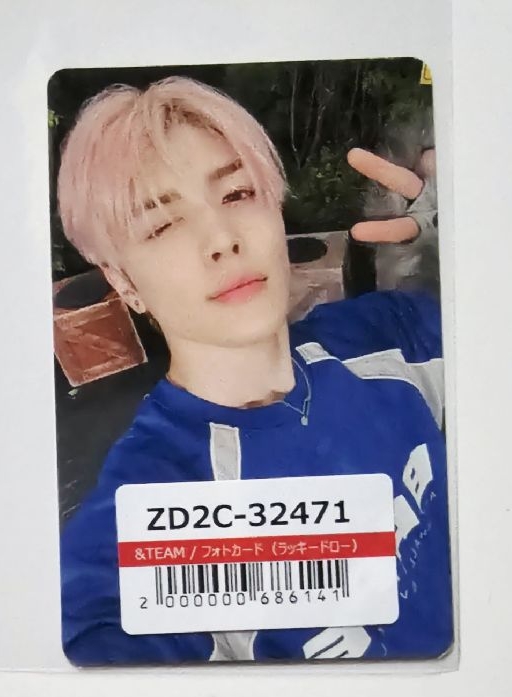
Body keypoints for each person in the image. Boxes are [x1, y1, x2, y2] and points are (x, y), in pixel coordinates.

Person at [57, 75, 452, 666]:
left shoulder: (389, 336)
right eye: (162, 225)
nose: (221, 239)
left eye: (237, 193)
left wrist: (481, 249)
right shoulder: (147, 501)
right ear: (124, 281)